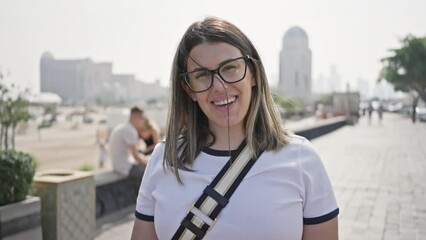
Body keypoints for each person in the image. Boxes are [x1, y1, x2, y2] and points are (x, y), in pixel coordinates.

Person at [131, 17, 339, 240]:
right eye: (202, 75)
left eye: (230, 68)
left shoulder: (301, 160)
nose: (219, 86)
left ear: (253, 73)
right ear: (189, 89)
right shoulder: (164, 159)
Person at [108, 107, 148, 178]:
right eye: (142, 118)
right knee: (148, 172)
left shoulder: (124, 127)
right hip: (124, 168)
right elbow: (136, 157)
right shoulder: (130, 131)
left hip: (117, 166)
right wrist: (148, 163)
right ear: (136, 117)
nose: (143, 121)